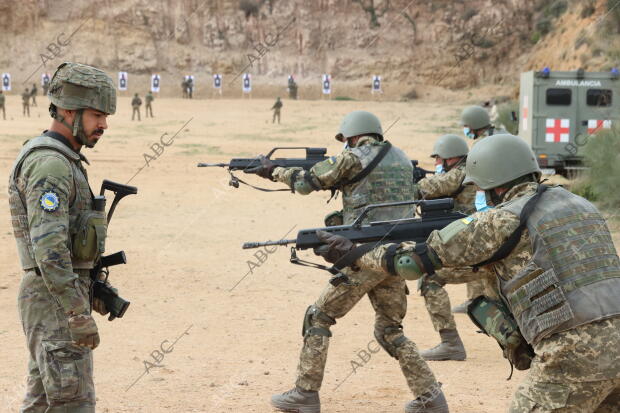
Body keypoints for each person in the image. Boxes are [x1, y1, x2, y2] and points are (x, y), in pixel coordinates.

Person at [318, 133, 620, 413]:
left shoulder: (502, 218)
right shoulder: (582, 205)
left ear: (496, 185)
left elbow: (411, 264)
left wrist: (354, 253)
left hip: (574, 355)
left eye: (483, 189)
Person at [245, 111, 449, 413]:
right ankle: (431, 397)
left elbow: (304, 183)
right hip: (395, 255)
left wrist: (272, 170)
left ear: (352, 136)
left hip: (362, 255)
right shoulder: (402, 157)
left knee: (319, 317)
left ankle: (305, 394)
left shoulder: (353, 157)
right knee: (390, 330)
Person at [9, 61, 117, 412]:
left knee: (42, 403)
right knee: (73, 405)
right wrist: (76, 312)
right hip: (54, 302)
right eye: (97, 115)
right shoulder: (51, 164)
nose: (103, 124)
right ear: (69, 110)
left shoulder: (63, 159)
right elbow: (50, 249)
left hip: (53, 298)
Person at [413, 134, 475, 362]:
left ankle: (451, 344)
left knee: (430, 279)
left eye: (440, 158)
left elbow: (432, 187)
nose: (437, 163)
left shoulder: (461, 173)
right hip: (480, 240)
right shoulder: (472, 169)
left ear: (453, 157)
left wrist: (410, 184)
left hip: (469, 241)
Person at [451, 105, 507, 312]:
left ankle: (476, 300)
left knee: (477, 246)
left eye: (466, 125)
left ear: (473, 125)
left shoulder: (483, 143)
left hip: (492, 198)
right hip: (504, 195)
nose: (465, 129)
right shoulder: (501, 135)